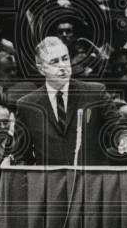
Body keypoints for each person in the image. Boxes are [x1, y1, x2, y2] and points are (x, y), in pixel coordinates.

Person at [12, 36, 119, 165]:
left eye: (65, 59)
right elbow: (21, 156)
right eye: (54, 62)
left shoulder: (96, 93)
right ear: (41, 69)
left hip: (91, 182)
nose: (62, 66)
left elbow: (117, 130)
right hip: (50, 183)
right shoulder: (27, 105)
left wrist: (126, 138)